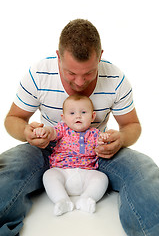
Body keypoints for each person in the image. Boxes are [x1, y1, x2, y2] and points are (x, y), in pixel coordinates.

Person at [0, 18, 159, 235]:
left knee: (144, 170)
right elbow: (13, 119)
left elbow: (132, 125)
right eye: (71, 73)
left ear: (100, 56)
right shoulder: (38, 74)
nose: (80, 82)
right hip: (48, 146)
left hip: (98, 151)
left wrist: (119, 139)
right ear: (58, 56)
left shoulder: (116, 78)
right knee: (7, 170)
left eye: (89, 73)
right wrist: (27, 133)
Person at [33, 94, 109, 216]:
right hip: (62, 172)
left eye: (83, 112)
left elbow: (102, 144)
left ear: (92, 116)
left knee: (102, 178)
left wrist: (104, 139)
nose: (78, 116)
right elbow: (52, 133)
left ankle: (87, 198)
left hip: (87, 173)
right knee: (49, 175)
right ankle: (62, 200)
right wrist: (44, 131)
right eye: (72, 113)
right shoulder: (62, 129)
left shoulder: (94, 133)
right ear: (63, 117)